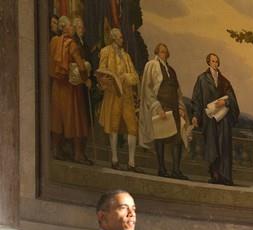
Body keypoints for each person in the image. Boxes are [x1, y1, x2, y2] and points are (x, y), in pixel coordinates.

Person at [139, 43, 189, 179]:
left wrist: (180, 107)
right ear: (157, 52)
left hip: (173, 106)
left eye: (165, 52)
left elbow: (177, 91)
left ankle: (176, 170)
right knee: (160, 137)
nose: (163, 54)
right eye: (161, 52)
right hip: (161, 105)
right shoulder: (152, 65)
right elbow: (147, 88)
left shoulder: (171, 70)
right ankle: (161, 169)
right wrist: (157, 106)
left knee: (177, 139)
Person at [49, 16, 92, 165]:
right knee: (76, 119)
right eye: (71, 26)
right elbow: (80, 66)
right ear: (65, 28)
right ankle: (78, 154)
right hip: (70, 87)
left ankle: (56, 150)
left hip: (56, 86)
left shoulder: (53, 42)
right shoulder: (71, 44)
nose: (73, 28)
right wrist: (86, 77)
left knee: (57, 118)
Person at [191, 53, 240, 185]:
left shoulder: (224, 81)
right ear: (208, 62)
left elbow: (231, 98)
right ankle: (214, 175)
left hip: (222, 119)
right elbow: (197, 99)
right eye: (213, 61)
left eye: (217, 61)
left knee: (223, 146)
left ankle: (225, 176)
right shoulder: (202, 79)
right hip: (210, 118)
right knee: (212, 147)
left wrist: (225, 102)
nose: (215, 63)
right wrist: (196, 115)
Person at [97, 28, 140, 172]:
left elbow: (134, 76)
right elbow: (101, 72)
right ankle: (114, 159)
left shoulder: (126, 56)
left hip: (126, 95)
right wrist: (111, 80)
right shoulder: (106, 51)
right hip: (113, 94)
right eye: (120, 37)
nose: (122, 40)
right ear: (114, 38)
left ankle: (131, 162)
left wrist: (127, 77)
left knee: (132, 127)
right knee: (113, 126)